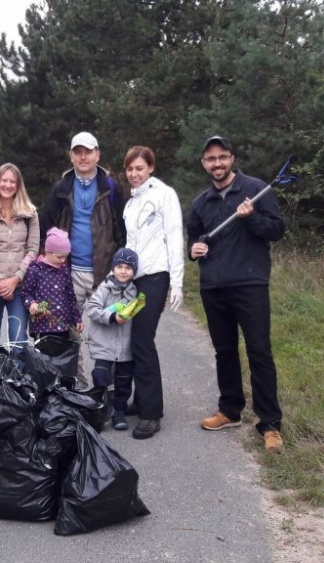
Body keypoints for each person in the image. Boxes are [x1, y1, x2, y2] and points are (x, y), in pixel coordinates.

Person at [186, 135, 286, 451]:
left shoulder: (255, 190)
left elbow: (277, 230)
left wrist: (251, 218)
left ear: (232, 159)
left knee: (259, 351)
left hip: (250, 283)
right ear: (204, 163)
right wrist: (194, 250)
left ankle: (269, 424)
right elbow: (194, 241)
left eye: (223, 157)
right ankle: (230, 410)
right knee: (224, 351)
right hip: (214, 286)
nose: (217, 163)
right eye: (211, 159)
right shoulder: (201, 203)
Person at [38, 132, 127, 388]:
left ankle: (106, 389)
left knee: (107, 333)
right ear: (71, 156)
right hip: (69, 273)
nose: (83, 156)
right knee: (68, 332)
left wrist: (121, 268)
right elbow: (47, 227)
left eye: (88, 151)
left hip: (105, 274)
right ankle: (74, 384)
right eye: (77, 151)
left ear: (97, 154)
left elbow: (121, 229)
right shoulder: (61, 189)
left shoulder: (111, 188)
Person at [121, 146, 185, 439]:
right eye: (130, 169)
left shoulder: (163, 195)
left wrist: (177, 282)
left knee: (143, 342)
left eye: (139, 168)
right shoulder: (131, 203)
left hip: (156, 279)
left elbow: (174, 236)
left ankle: (152, 414)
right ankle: (141, 399)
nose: (134, 174)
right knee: (133, 340)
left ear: (151, 169)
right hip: (134, 280)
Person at [0, 163, 40, 351]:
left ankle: (16, 380)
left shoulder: (30, 213)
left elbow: (33, 249)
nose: (8, 185)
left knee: (19, 339)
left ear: (18, 185)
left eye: (12, 181)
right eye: (4, 180)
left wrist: (16, 279)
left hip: (21, 287)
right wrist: (0, 281)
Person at [84, 248, 140, 432]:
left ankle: (119, 411)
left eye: (128, 268)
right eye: (120, 267)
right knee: (100, 375)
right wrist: (110, 317)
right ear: (113, 268)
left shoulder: (136, 293)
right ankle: (102, 406)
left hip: (125, 348)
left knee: (123, 381)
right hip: (104, 344)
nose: (123, 271)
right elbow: (91, 308)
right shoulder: (104, 288)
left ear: (134, 271)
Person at [21, 227, 83, 364]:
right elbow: (25, 293)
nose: (63, 260)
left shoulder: (64, 271)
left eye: (65, 257)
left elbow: (71, 297)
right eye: (59, 257)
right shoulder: (35, 270)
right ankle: (43, 384)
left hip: (64, 325)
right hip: (43, 326)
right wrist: (32, 304)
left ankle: (61, 385)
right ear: (48, 252)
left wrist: (77, 319)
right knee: (44, 362)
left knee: (62, 361)